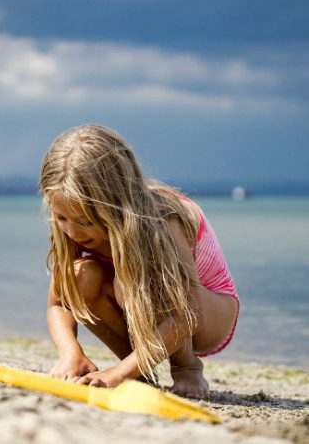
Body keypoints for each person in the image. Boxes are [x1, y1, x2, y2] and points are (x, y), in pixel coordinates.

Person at [39, 124, 239, 399]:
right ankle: (140, 373)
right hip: (141, 307)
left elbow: (189, 311)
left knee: (131, 281)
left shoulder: (163, 219)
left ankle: (187, 366)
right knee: (79, 277)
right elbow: (58, 303)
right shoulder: (73, 216)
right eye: (61, 218)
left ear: (115, 204)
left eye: (85, 221)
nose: (72, 232)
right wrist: (70, 353)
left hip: (207, 314)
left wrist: (118, 374)